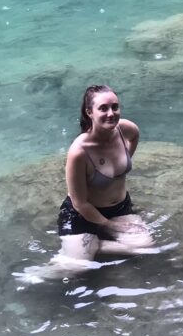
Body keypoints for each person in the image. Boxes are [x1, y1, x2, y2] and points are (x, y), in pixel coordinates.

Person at [16, 84, 155, 284]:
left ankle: (94, 245)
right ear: (89, 112)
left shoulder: (126, 129)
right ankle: (31, 275)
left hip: (120, 208)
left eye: (115, 107)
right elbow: (79, 203)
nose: (111, 113)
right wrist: (109, 226)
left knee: (146, 247)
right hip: (82, 216)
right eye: (103, 108)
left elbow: (135, 137)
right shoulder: (79, 151)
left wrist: (121, 165)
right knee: (75, 269)